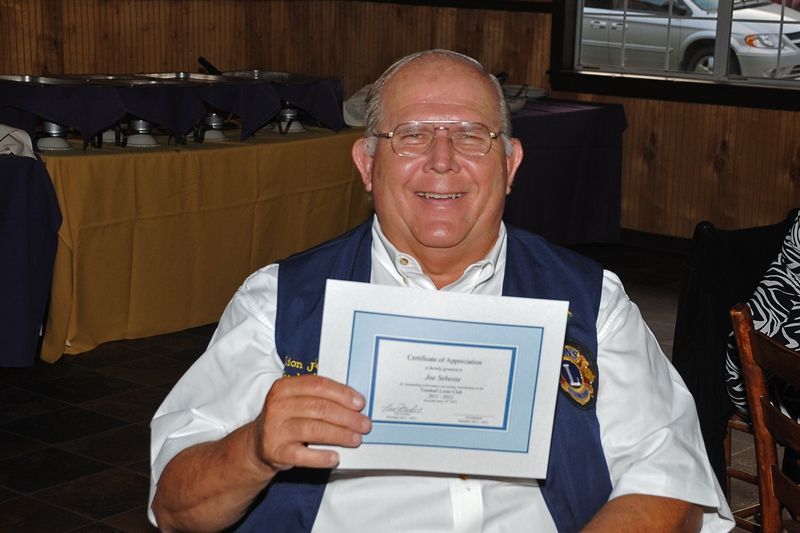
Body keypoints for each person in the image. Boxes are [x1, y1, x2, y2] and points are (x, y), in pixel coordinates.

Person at [149, 49, 733, 532]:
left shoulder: (590, 302)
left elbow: (672, 485)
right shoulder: (279, 303)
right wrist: (252, 449)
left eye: (472, 135)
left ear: (510, 164)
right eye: (412, 135)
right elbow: (175, 508)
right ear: (366, 164)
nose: (442, 160)